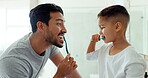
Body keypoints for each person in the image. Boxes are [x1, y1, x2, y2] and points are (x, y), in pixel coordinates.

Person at [0, 3, 81, 78]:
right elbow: (63, 73)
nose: (64, 30)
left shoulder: (49, 44)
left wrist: (66, 70)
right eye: (59, 24)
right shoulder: (14, 62)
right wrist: (60, 74)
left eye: (63, 24)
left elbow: (73, 75)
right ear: (41, 26)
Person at [86, 5, 146, 78]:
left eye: (102, 27)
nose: (100, 32)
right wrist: (93, 41)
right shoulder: (105, 49)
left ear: (117, 27)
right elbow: (89, 56)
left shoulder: (133, 60)